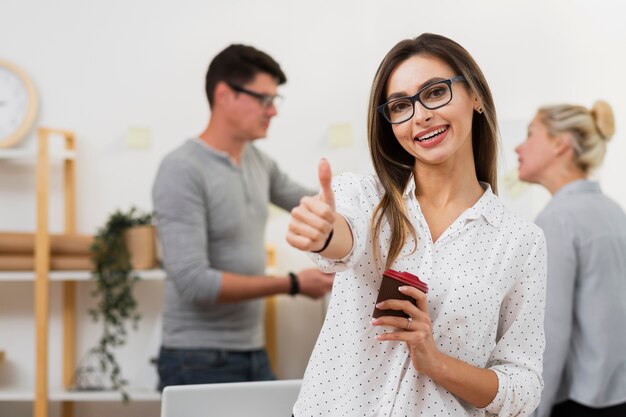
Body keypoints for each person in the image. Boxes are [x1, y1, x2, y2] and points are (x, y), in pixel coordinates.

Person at [285, 33, 547, 416]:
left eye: (436, 93)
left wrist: (436, 362)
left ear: (474, 96)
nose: (420, 115)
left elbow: (523, 387)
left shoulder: (519, 241)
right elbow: (343, 242)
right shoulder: (363, 197)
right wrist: (324, 234)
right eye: (399, 106)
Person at [152, 44, 334, 389]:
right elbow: (194, 281)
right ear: (224, 94)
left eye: (275, 101)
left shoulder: (258, 162)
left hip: (251, 350)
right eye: (265, 99)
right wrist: (293, 283)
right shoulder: (181, 169)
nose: (273, 112)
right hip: (196, 358)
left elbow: (319, 201)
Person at [516, 101, 626, 417]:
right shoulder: (613, 211)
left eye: (530, 134)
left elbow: (550, 334)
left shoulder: (557, 220)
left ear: (560, 144)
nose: (518, 147)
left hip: (577, 403)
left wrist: (533, 411)